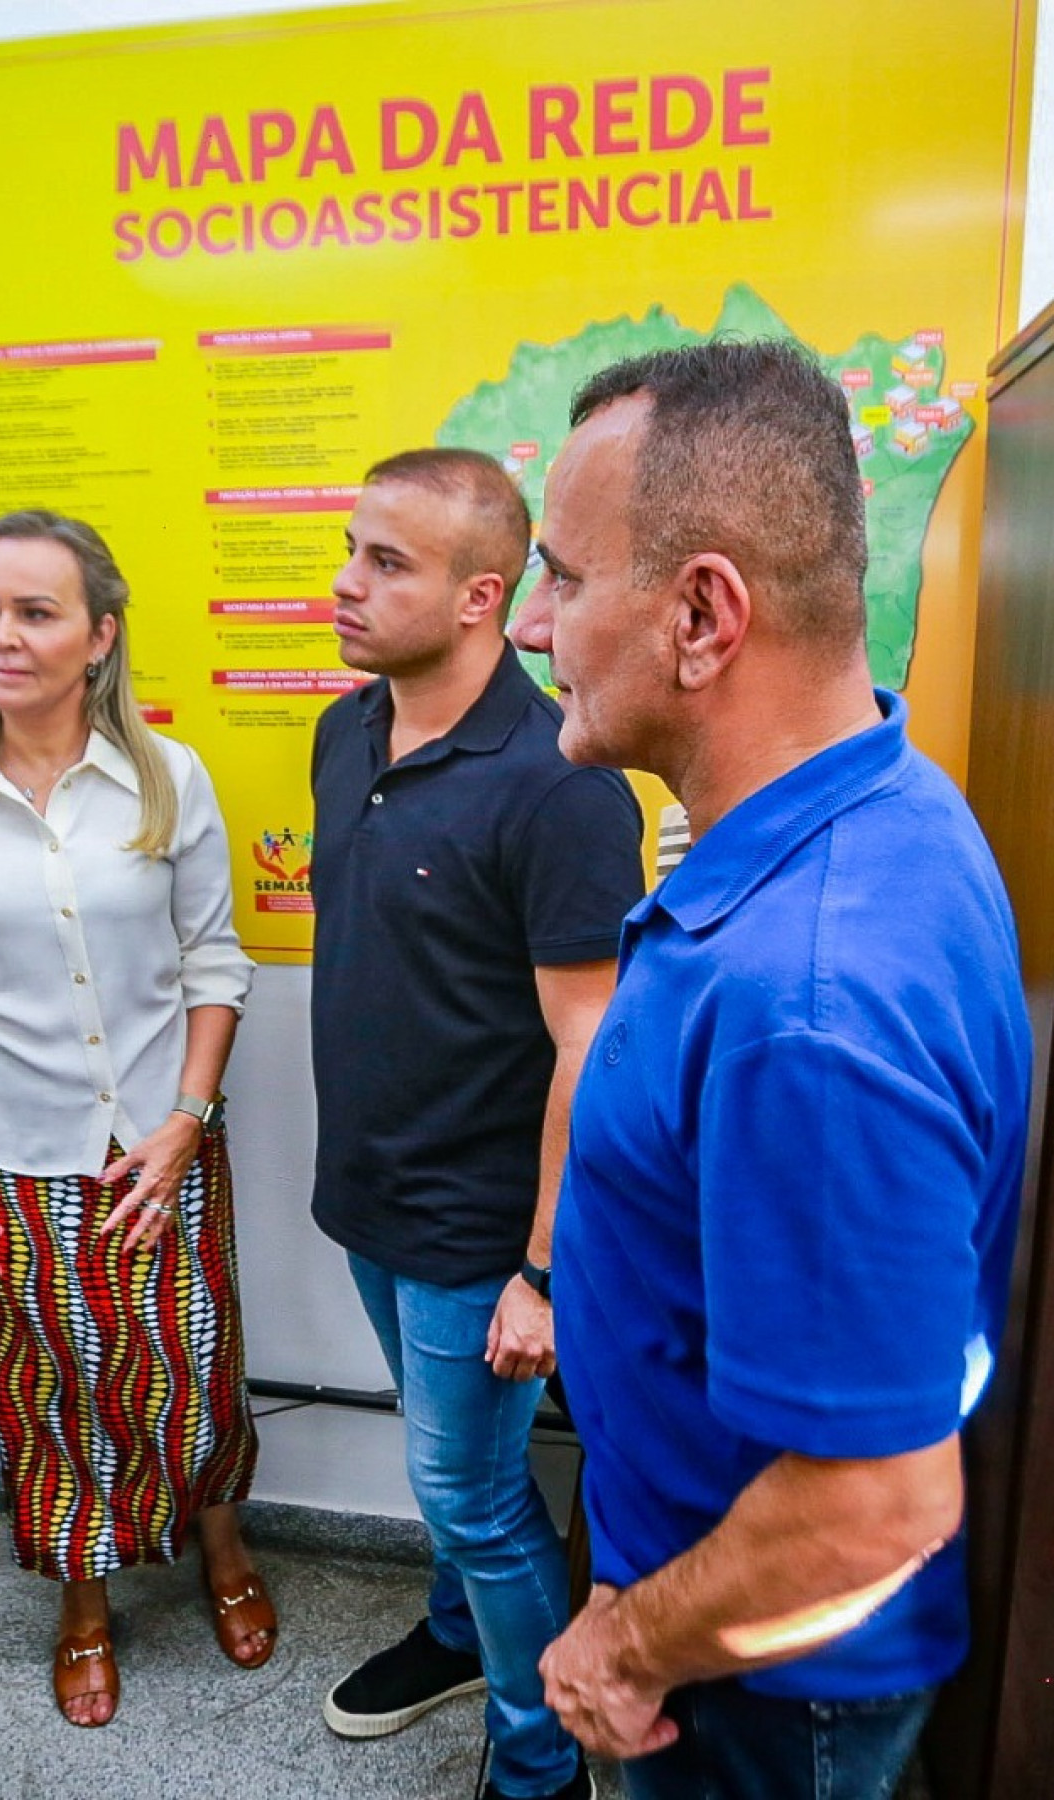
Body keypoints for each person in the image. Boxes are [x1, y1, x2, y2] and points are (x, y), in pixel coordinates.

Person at [510, 340, 1031, 1799]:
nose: (536, 621)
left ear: (702, 615)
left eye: (562, 574)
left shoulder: (807, 997)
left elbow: (872, 1500)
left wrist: (623, 1652)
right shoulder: (876, 795)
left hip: (756, 1694)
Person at [0, 509, 268, 1728]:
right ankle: (83, 1602)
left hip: (162, 1139)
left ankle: (222, 1543)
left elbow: (216, 965)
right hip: (5, 1159)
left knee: (195, 1367)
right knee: (50, 1388)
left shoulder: (166, 778)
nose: (2, 635)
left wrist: (189, 1118)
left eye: (35, 612)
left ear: (98, 636)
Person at [310, 449, 644, 1800]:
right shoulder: (345, 733)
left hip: (482, 1234)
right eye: (351, 548)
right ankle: (458, 1638)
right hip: (372, 1201)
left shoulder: (561, 784)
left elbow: (591, 1044)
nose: (344, 582)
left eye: (386, 563)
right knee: (446, 1474)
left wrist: (543, 1273)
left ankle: (536, 1762)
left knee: (476, 1500)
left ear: (482, 599)